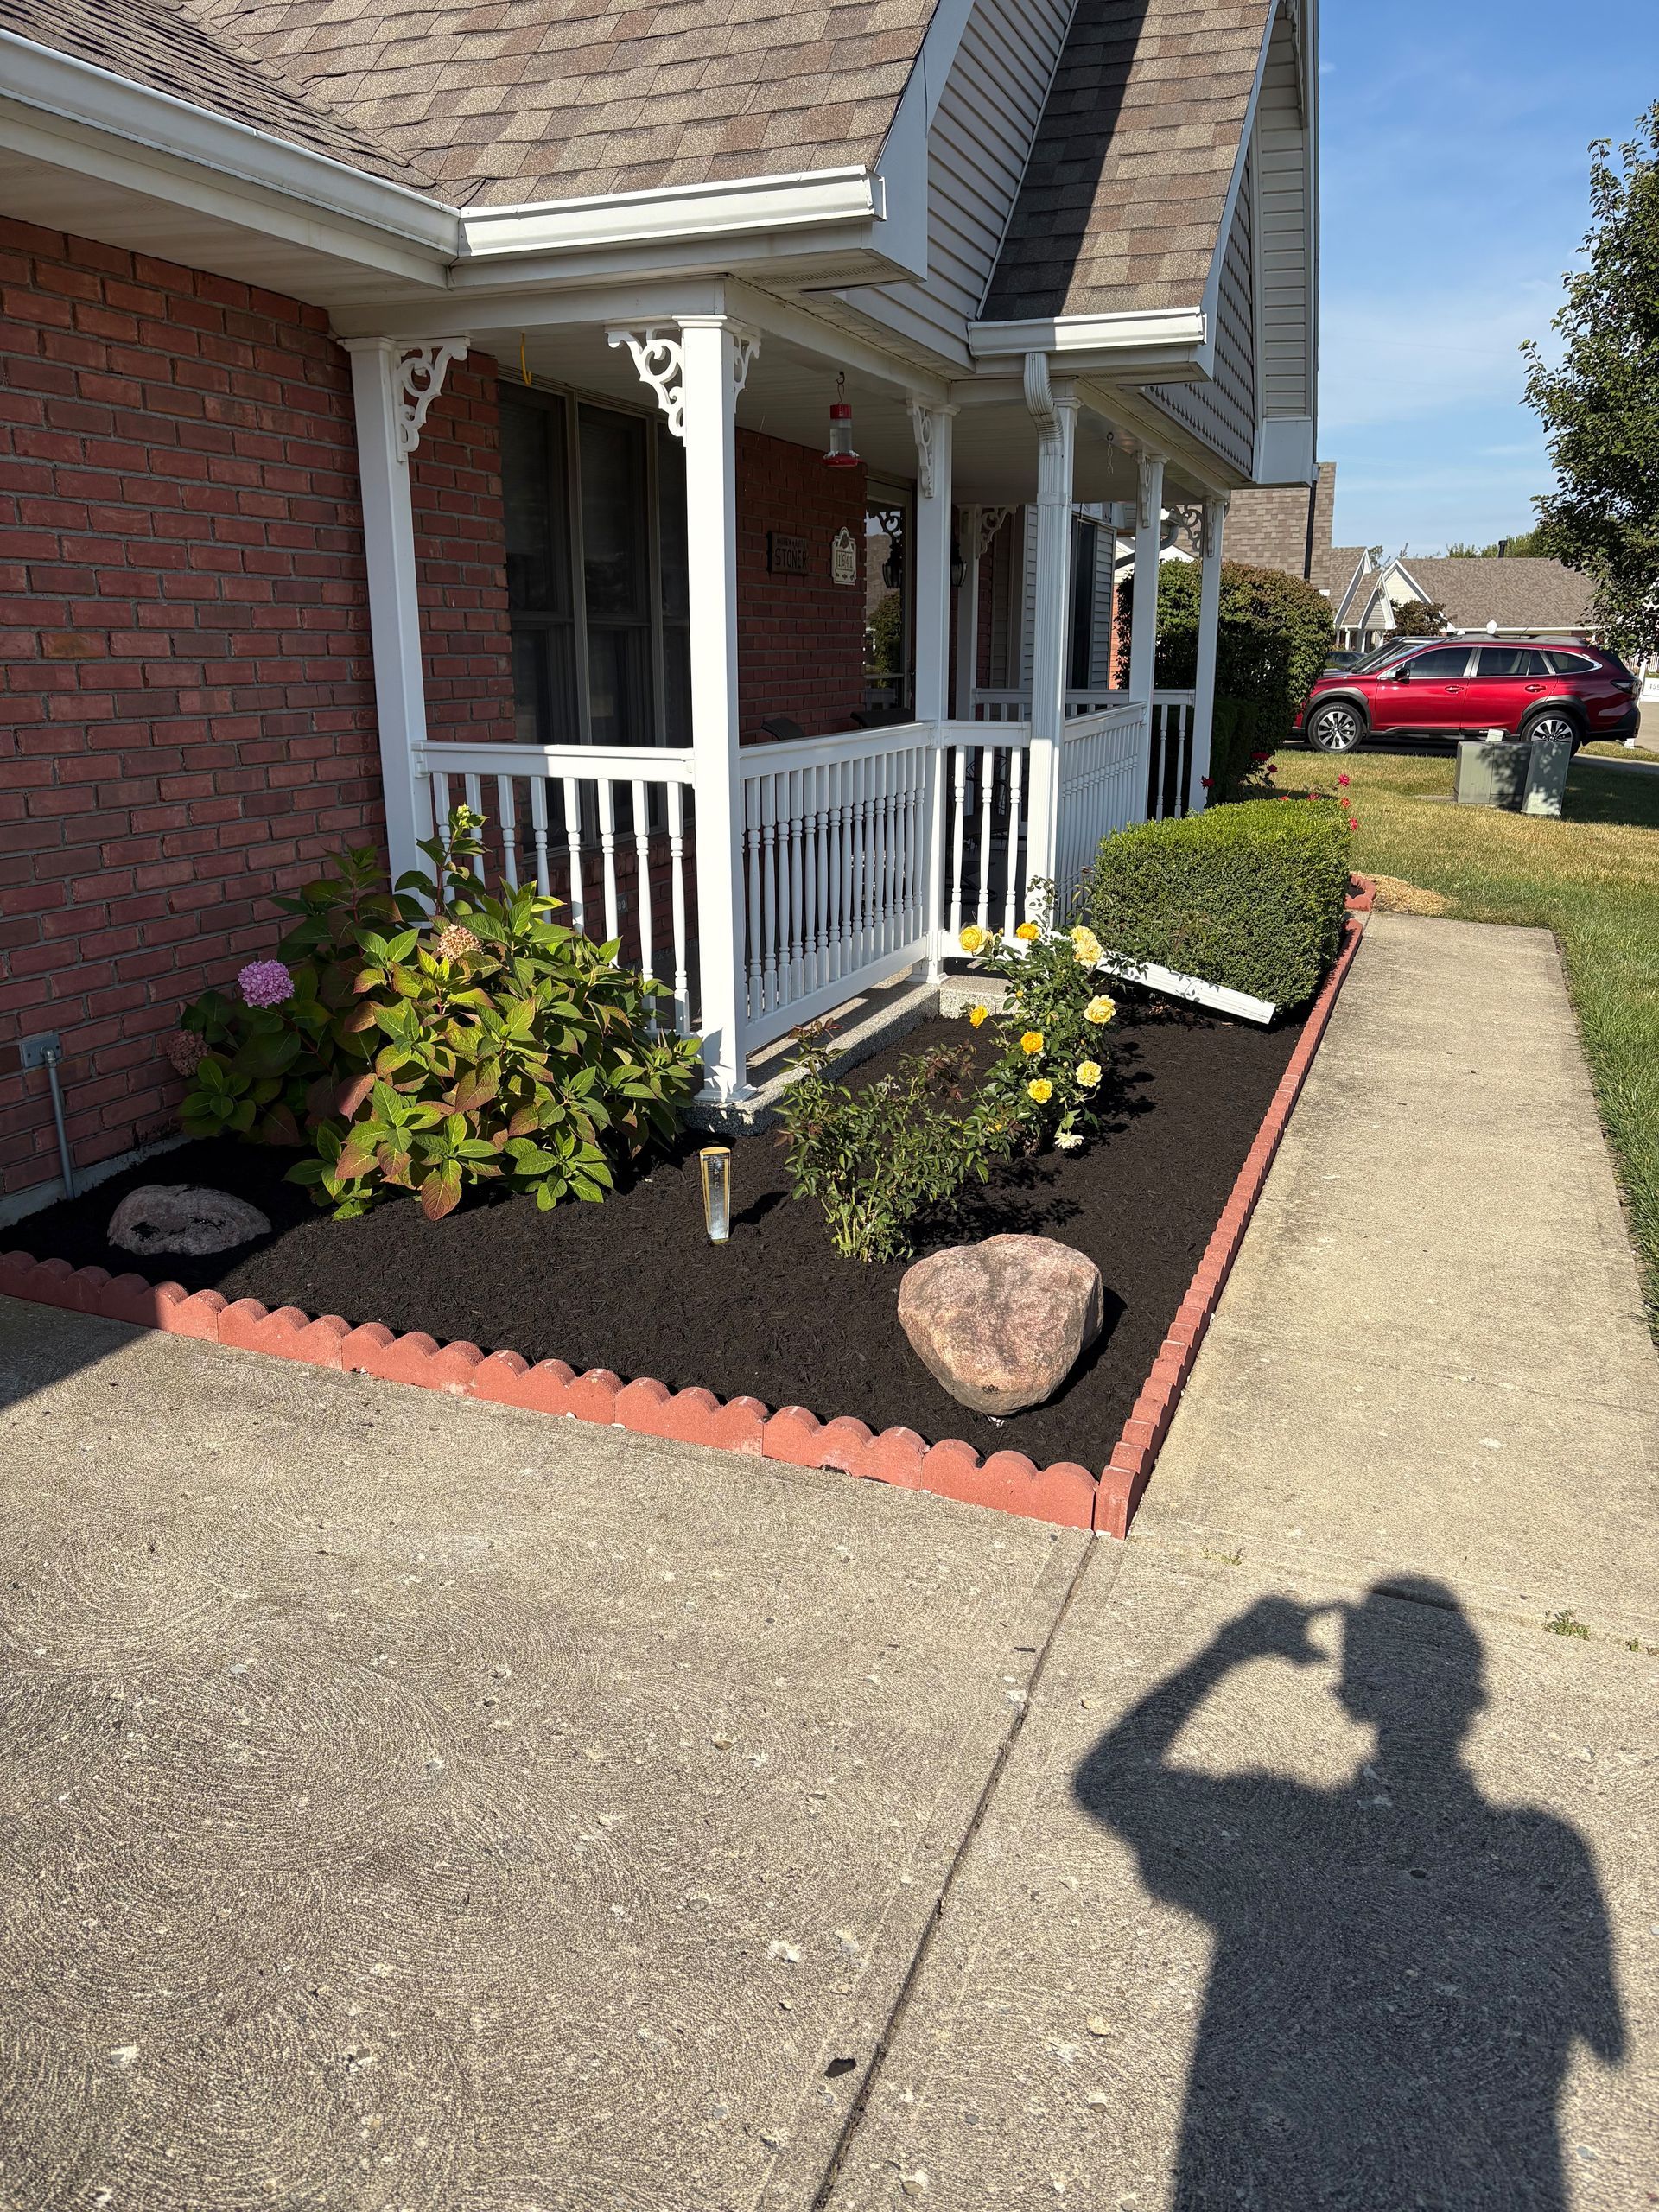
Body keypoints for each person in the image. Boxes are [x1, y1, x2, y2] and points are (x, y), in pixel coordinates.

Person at [1073, 1581, 1625, 2209]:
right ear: (1475, 1697)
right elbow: (1606, 2040)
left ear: (1350, 1695)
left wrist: (1230, 1649)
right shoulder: (1551, 1848)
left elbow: (1103, 1783)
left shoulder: (1278, 1825)